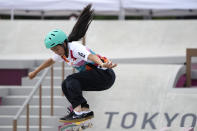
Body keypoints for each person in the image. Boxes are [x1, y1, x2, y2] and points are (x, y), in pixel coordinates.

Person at [28, 4, 117, 123]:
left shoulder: (74, 47)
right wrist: (35, 72)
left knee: (71, 79)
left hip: (105, 75)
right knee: (65, 85)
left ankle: (77, 112)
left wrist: (101, 64)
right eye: (53, 50)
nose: (56, 52)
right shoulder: (62, 53)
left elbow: (91, 56)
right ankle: (84, 110)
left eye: (56, 49)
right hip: (98, 80)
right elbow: (50, 61)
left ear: (64, 43)